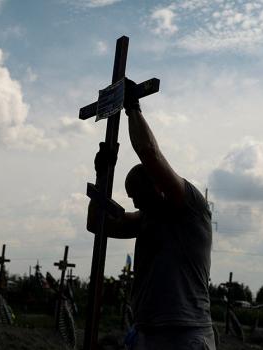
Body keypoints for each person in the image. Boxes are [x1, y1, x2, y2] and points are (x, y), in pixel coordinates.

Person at [87, 78, 215, 349]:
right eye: (133, 199)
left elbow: (149, 152)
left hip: (185, 334)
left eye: (140, 197)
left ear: (158, 186)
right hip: (146, 332)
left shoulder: (190, 207)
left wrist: (132, 106)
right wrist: (102, 174)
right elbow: (97, 224)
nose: (136, 205)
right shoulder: (147, 218)